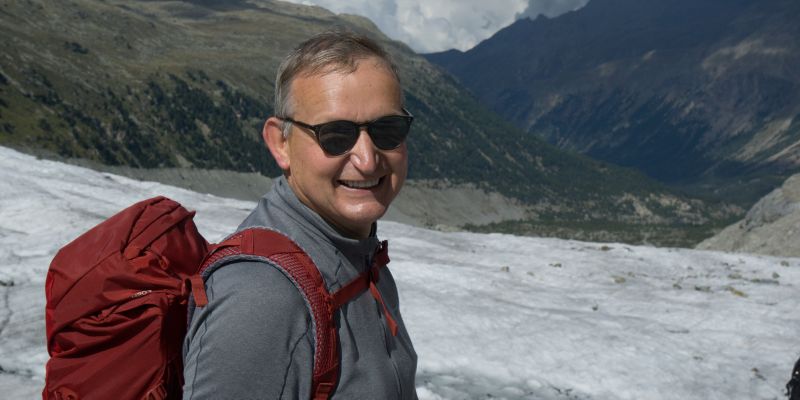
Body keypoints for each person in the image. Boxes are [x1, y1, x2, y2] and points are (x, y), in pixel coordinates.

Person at [182, 30, 418, 399]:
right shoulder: (261, 297)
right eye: (335, 135)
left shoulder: (358, 253)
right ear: (281, 143)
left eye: (387, 130)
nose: (368, 159)